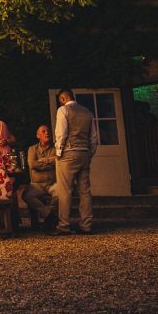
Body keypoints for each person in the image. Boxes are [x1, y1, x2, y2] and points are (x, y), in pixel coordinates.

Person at [54, 88, 98, 235]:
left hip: (68, 153)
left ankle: (63, 225)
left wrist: (59, 152)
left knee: (65, 190)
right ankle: (86, 225)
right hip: (84, 152)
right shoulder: (87, 112)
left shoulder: (63, 110)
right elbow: (93, 137)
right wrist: (90, 152)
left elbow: (61, 133)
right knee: (85, 191)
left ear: (62, 98)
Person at [22, 124, 58, 230]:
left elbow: (59, 161)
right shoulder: (32, 149)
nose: (47, 133)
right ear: (38, 136)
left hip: (53, 183)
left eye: (48, 131)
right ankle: (49, 215)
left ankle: (50, 218)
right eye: (43, 131)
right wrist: (51, 163)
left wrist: (44, 161)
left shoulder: (56, 148)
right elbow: (32, 165)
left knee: (60, 194)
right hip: (37, 184)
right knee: (26, 195)